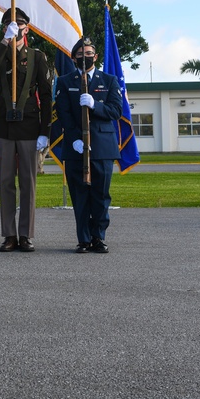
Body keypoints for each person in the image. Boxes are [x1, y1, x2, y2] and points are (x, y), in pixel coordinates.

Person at [0, 7, 52, 252]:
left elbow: (46, 96)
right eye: (10, 25)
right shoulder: (0, 53)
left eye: (20, 24)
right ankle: (9, 235)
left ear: (28, 28)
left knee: (28, 182)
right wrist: (4, 41)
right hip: (3, 126)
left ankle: (26, 234)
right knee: (5, 182)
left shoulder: (37, 57)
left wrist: (46, 131)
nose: (16, 28)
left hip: (28, 126)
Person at [53, 36, 122, 254]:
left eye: (89, 54)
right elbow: (63, 113)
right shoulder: (65, 81)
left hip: (102, 147)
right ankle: (83, 239)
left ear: (96, 56)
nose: (85, 57)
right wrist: (74, 139)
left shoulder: (109, 80)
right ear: (74, 57)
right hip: (76, 147)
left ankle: (98, 237)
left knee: (101, 195)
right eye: (81, 54)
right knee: (79, 194)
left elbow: (115, 111)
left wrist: (95, 106)